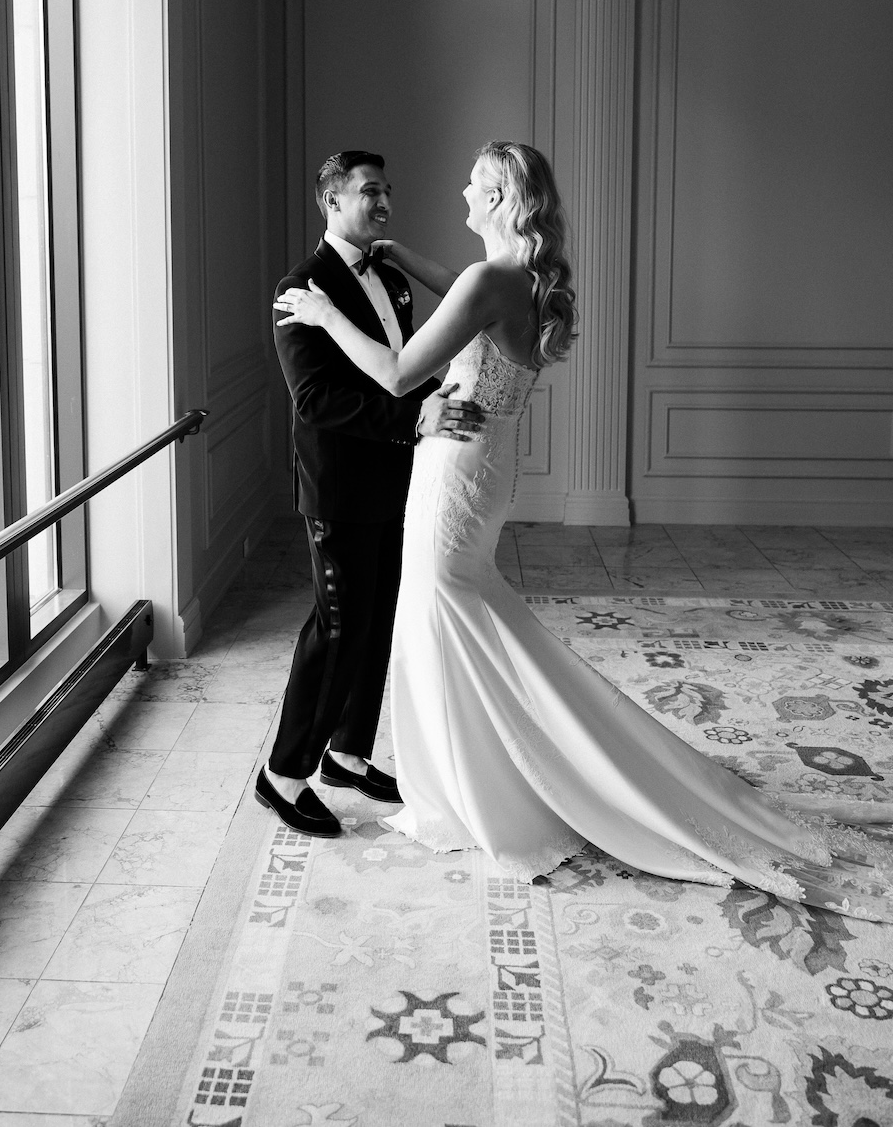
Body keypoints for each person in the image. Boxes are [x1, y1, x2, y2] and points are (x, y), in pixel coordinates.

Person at [274, 140, 893, 919]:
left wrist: (327, 311)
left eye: (475, 182)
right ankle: (480, 768)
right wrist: (402, 255)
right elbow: (463, 292)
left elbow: (399, 378)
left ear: (499, 198)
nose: (461, 189)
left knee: (442, 613)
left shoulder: (483, 283)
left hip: (452, 467)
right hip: (490, 465)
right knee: (463, 608)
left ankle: (493, 786)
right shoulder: (528, 282)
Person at [258, 150, 484, 839]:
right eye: (368, 192)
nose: (383, 203)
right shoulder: (298, 291)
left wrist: (434, 404)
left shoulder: (390, 274)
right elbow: (317, 399)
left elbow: (400, 365)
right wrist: (412, 419)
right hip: (336, 487)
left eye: (387, 190)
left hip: (395, 479)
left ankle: (347, 755)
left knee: (378, 617)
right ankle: (282, 774)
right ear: (332, 200)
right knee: (335, 626)